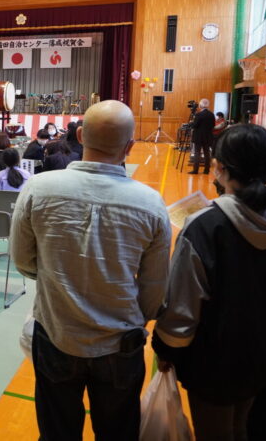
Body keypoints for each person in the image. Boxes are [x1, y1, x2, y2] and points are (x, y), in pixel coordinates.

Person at [10, 100, 171, 441]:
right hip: (120, 341)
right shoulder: (151, 203)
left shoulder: (38, 188)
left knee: (57, 431)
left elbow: (22, 260)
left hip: (56, 333)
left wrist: (57, 277)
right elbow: (154, 288)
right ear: (130, 146)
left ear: (81, 136)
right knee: (118, 433)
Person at [151, 123, 266, 441]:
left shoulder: (204, 226)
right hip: (262, 354)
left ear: (219, 167)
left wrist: (166, 347)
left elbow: (183, 306)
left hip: (215, 362)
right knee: (243, 427)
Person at [190, 98, 216, 175]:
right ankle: (206, 170)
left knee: (197, 153)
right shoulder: (211, 114)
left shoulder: (199, 114)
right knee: (207, 153)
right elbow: (213, 125)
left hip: (198, 137)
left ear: (201, 105)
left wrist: (192, 123)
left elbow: (195, 125)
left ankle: (195, 170)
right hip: (208, 136)